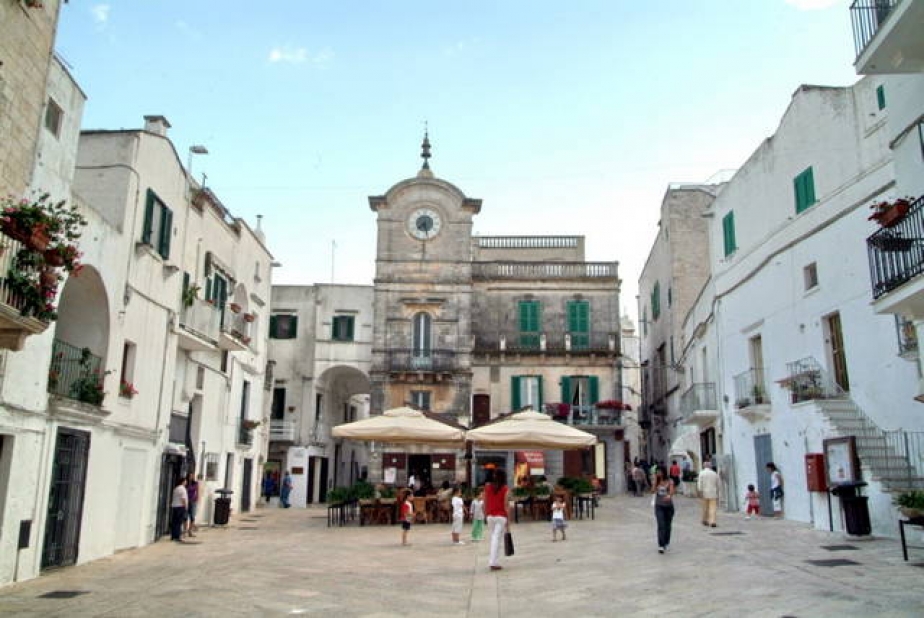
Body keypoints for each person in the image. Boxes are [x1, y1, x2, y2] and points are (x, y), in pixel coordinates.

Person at [485, 469, 512, 571]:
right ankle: (493, 562)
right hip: (501, 516)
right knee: (496, 539)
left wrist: (485, 515)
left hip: (490, 516)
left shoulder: (487, 487)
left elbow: (485, 502)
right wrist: (508, 522)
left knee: (494, 538)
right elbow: (506, 505)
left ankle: (494, 561)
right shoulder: (505, 489)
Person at [652, 470, 675, 554]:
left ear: (663, 472)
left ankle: (666, 542)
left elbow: (672, 491)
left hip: (669, 506)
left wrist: (669, 495)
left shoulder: (670, 481)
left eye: (659, 472)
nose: (657, 473)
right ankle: (661, 545)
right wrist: (654, 482)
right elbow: (652, 491)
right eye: (657, 472)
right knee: (661, 525)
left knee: (668, 526)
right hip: (659, 506)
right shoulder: (657, 481)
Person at [698, 461, 719, 527]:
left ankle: (705, 520)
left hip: (704, 492)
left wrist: (699, 491)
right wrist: (717, 491)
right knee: (712, 508)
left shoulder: (701, 473)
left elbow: (699, 483)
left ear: (704, 466)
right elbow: (718, 484)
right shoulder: (714, 473)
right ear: (710, 466)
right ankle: (712, 521)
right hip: (713, 492)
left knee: (705, 507)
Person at [170, 477, 188, 542]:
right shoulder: (183, 489)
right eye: (185, 481)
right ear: (183, 481)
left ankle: (173, 536)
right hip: (180, 507)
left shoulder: (176, 488)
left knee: (174, 522)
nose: (186, 482)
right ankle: (177, 536)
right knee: (179, 522)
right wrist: (185, 507)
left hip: (175, 506)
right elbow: (183, 499)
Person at [185, 473, 200, 538]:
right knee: (185, 516)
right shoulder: (186, 483)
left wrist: (196, 499)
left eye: (192, 476)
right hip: (186, 501)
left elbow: (197, 492)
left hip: (193, 501)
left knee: (192, 516)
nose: (191, 477)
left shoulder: (196, 483)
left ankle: (190, 531)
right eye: (190, 476)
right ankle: (185, 531)